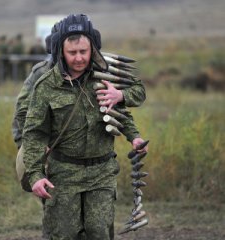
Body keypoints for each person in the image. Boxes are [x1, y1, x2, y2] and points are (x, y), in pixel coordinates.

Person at [22, 14, 148, 239]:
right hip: (63, 174)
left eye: (84, 51)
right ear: (61, 51)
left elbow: (135, 95)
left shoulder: (106, 75)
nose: (79, 58)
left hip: (102, 172)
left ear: (93, 49)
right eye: (72, 53)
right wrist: (35, 175)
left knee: (99, 232)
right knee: (64, 234)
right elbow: (34, 134)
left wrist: (121, 97)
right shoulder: (46, 86)